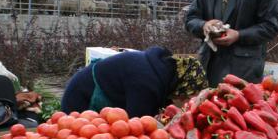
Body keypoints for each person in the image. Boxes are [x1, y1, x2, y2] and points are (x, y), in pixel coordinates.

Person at [61, 47, 207, 117]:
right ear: (182, 86)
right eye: (186, 96)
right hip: (81, 98)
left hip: (99, 90)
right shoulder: (146, 82)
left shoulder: (163, 71)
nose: (186, 101)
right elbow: (137, 122)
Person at [185, 0, 278, 87]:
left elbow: (270, 27)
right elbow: (191, 19)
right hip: (208, 66)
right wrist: (204, 25)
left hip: (243, 71)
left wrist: (239, 35)